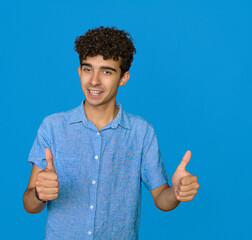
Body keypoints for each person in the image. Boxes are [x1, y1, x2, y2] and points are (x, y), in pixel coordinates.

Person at [22, 26, 200, 239]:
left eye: (106, 71)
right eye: (88, 69)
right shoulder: (52, 127)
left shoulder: (141, 132)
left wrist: (176, 192)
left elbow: (162, 198)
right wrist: (40, 194)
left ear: (123, 78)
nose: (94, 80)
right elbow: (29, 204)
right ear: (79, 71)